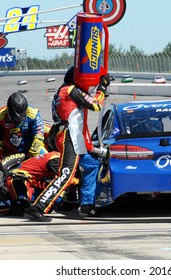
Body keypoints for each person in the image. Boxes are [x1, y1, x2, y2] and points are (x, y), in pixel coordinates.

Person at [23, 67, 110, 222]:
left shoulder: (61, 91)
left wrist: (92, 148)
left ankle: (86, 206)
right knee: (66, 174)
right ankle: (38, 207)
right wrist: (102, 88)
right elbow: (96, 105)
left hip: (70, 134)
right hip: (68, 135)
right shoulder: (70, 90)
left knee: (91, 164)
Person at [0, 91, 47, 216]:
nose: (17, 121)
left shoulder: (34, 114)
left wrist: (32, 156)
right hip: (8, 149)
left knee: (48, 160)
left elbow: (38, 137)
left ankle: (55, 196)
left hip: (31, 149)